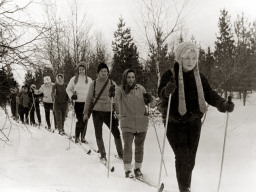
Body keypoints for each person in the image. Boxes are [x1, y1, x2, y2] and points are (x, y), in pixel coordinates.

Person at [158, 42, 235, 192]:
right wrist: (167, 91)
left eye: (194, 58)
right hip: (174, 122)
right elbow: (160, 92)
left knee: (190, 160)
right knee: (183, 157)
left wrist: (223, 104)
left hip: (193, 122)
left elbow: (210, 94)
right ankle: (184, 189)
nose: (191, 61)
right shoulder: (170, 74)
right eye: (187, 58)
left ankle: (185, 187)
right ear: (180, 57)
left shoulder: (199, 76)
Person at [114, 69, 156, 178]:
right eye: (128, 77)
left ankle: (137, 168)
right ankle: (127, 170)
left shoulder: (141, 88)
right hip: (127, 123)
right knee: (127, 147)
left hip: (141, 123)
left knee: (139, 147)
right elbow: (115, 99)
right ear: (125, 78)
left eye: (133, 77)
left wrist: (150, 99)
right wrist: (112, 96)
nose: (131, 79)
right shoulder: (120, 89)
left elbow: (152, 104)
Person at [83, 62, 123, 160]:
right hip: (96, 112)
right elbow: (88, 99)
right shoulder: (94, 83)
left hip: (108, 111)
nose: (104, 73)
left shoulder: (112, 83)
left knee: (116, 132)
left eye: (105, 71)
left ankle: (121, 154)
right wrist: (85, 112)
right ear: (98, 73)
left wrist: (118, 112)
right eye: (102, 71)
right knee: (98, 133)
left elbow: (116, 101)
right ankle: (103, 154)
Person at [66, 62, 92, 143]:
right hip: (78, 103)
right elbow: (68, 89)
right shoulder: (74, 79)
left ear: (85, 70)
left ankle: (83, 137)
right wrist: (71, 96)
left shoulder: (90, 80)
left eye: (83, 69)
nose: (81, 71)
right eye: (80, 69)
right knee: (80, 120)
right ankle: (77, 136)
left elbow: (92, 91)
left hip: (87, 103)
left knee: (85, 120)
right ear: (78, 70)